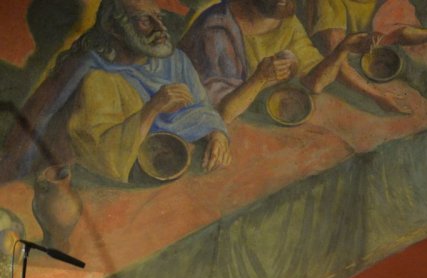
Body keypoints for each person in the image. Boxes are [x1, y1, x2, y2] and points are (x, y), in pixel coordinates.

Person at [13, 0, 229, 184]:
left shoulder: (176, 60)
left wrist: (217, 133)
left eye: (158, 17)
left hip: (181, 169)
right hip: (124, 182)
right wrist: (152, 108)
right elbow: (103, 157)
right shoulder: (94, 76)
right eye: (145, 21)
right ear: (115, 29)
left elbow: (203, 108)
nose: (160, 28)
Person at [181, 0, 374, 123]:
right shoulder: (217, 31)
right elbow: (222, 113)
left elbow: (315, 83)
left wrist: (341, 51)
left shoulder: (282, 16)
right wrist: (260, 79)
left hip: (259, 118)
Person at [306, 0, 427, 114]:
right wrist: (379, 97)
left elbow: (398, 32)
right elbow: (338, 62)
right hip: (340, 78)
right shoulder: (327, 3)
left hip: (378, 64)